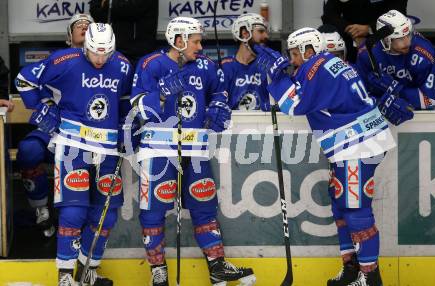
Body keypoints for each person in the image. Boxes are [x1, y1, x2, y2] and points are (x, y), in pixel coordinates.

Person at [253, 27, 403, 286]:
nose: (292, 60)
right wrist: (277, 81)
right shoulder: (327, 63)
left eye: (294, 54)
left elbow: (295, 105)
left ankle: (370, 277)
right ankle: (352, 267)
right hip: (356, 142)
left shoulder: (316, 65)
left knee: (355, 210)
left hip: (358, 145)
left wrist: (275, 79)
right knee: (340, 202)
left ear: (308, 50)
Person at [131, 16, 256, 286]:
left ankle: (217, 265)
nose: (200, 46)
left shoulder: (206, 66)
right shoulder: (151, 64)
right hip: (159, 150)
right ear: (179, 40)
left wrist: (218, 108)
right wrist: (162, 93)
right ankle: (157, 269)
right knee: (152, 211)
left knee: (204, 206)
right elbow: (137, 108)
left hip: (196, 147)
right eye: (196, 41)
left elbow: (219, 93)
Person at [15, 23, 133, 286]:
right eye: (95, 52)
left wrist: (129, 124)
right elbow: (24, 79)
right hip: (73, 146)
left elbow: (125, 99)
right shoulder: (64, 60)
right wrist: (43, 107)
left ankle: (87, 271)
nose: (101, 59)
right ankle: (65, 276)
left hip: (108, 150)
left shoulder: (123, 64)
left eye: (106, 53)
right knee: (73, 213)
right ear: (85, 46)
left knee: (106, 215)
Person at [15, 13, 94, 238]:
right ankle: (41, 208)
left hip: (88, 134)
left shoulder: (107, 62)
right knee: (29, 150)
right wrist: (39, 107)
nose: (83, 28)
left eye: (88, 25)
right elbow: (23, 80)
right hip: (55, 128)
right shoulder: (58, 59)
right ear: (69, 36)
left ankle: (87, 220)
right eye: (78, 26)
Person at [356, 10, 435, 110]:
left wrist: (393, 88)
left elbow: (431, 101)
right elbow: (359, 98)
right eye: (400, 38)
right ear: (386, 39)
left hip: (419, 114)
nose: (407, 43)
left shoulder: (424, 51)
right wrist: (382, 104)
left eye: (408, 35)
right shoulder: (367, 54)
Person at [322, 0, 407, 63]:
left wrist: (369, 29)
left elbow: (399, 13)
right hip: (350, 36)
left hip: (382, 34)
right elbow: (329, 15)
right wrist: (352, 31)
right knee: (326, 30)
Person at [222, 13, 271, 111]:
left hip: (264, 124)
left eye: (266, 32)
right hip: (233, 124)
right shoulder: (224, 67)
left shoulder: (269, 65)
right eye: (261, 31)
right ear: (245, 33)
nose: (266, 36)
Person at [89, 0, 159, 65]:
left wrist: (107, 4)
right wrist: (108, 7)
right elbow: (95, 9)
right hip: (111, 48)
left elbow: (132, 9)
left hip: (139, 51)